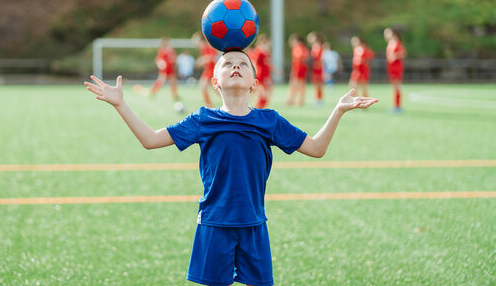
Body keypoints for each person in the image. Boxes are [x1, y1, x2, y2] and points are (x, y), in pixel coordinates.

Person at [84, 50, 378, 286]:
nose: (235, 67)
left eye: (243, 64)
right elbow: (150, 140)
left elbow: (316, 148)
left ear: (254, 82)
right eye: (227, 64)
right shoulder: (202, 120)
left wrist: (337, 110)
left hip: (254, 224)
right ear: (215, 81)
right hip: (214, 223)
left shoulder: (269, 120)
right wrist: (121, 105)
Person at [384, 28, 407, 113]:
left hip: (396, 68)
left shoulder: (396, 42)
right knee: (394, 88)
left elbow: (403, 53)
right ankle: (395, 106)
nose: (385, 35)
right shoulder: (391, 43)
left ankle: (397, 107)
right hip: (392, 68)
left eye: (387, 33)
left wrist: (394, 56)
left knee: (396, 87)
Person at [193, 32, 218, 108]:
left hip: (212, 70)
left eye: (195, 40)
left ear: (200, 40)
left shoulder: (208, 47)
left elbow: (213, 57)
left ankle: (209, 106)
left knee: (204, 86)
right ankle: (209, 105)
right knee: (214, 89)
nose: (195, 42)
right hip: (208, 70)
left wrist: (202, 60)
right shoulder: (203, 49)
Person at [249, 34, 273, 108]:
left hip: (266, 74)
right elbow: (254, 62)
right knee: (262, 93)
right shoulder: (258, 52)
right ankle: (255, 108)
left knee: (267, 92)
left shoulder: (266, 52)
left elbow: (268, 64)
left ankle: (261, 108)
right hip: (261, 74)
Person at [285, 33, 309, 106]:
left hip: (299, 69)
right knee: (294, 84)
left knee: (299, 85)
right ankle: (292, 99)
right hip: (298, 68)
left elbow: (301, 58)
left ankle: (299, 100)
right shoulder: (302, 48)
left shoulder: (299, 48)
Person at [307, 32, 325, 106]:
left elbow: (321, 59)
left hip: (318, 68)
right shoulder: (314, 47)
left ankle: (319, 99)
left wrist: (320, 65)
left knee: (319, 84)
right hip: (314, 67)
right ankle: (316, 98)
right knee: (315, 84)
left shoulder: (319, 46)